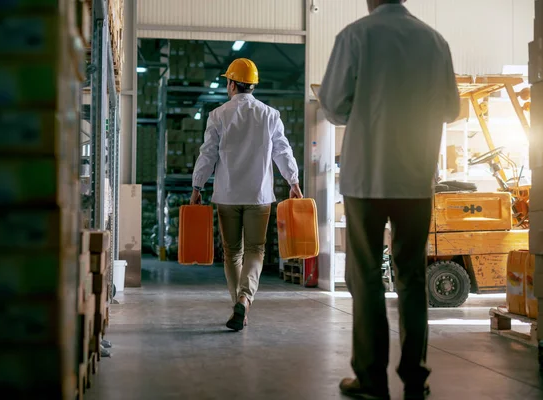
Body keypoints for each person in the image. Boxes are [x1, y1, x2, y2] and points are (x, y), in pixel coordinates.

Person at [318, 1, 460, 399]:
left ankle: (370, 379)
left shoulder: (355, 36)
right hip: (415, 178)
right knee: (412, 277)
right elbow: (450, 108)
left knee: (365, 278)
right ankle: (415, 377)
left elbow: (332, 105)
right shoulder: (435, 42)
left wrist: (366, 106)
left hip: (367, 177)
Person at [190, 58, 303, 332]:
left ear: (231, 84)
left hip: (227, 195)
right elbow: (282, 151)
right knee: (256, 250)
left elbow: (208, 153)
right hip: (258, 195)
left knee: (232, 253)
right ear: (252, 85)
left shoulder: (218, 115)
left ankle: (239, 305)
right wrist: (293, 181)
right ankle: (245, 299)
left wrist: (197, 186)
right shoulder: (270, 115)